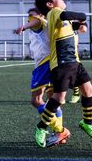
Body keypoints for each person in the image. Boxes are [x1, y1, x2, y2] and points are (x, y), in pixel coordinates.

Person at [34, 0, 92, 148]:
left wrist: (82, 24)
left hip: (74, 62)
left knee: (88, 90)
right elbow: (77, 16)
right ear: (50, 4)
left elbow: (78, 24)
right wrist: (82, 17)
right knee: (58, 97)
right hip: (62, 63)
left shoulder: (63, 18)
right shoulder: (54, 13)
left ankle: (87, 122)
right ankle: (41, 128)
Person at [15, 8, 63, 137]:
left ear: (41, 15)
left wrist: (23, 26)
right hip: (53, 63)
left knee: (36, 100)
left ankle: (60, 130)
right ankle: (58, 133)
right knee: (53, 100)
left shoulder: (40, 23)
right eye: (28, 16)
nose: (29, 18)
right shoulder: (45, 25)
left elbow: (36, 21)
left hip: (44, 64)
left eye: (31, 15)